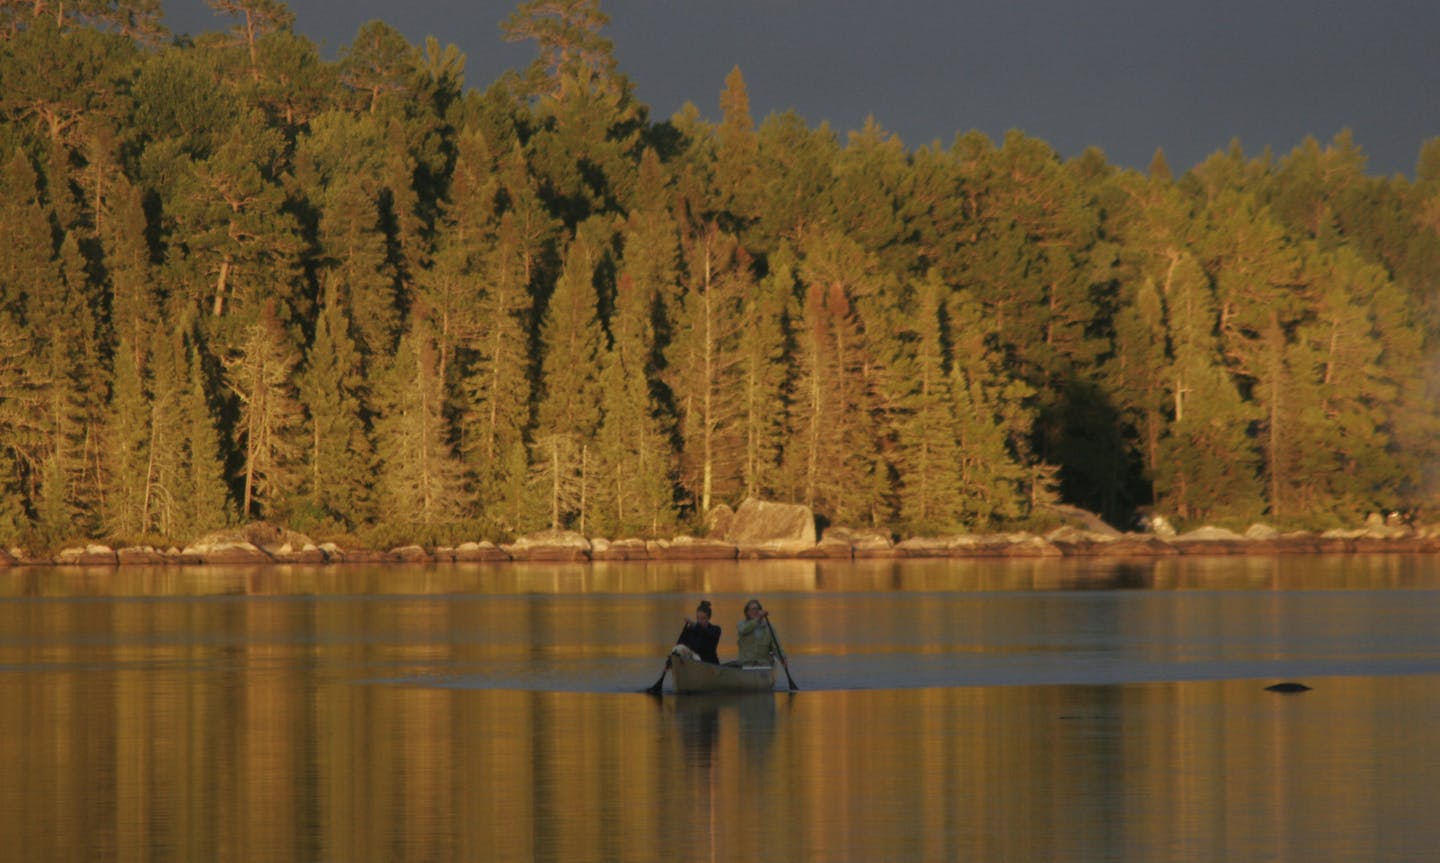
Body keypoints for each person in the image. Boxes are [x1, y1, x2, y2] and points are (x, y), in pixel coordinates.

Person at [734, 598, 781, 666]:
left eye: (756, 609)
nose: (754, 611)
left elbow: (776, 646)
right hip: (746, 664)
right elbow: (743, 630)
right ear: (746, 612)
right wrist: (758, 619)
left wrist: (782, 658)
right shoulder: (741, 624)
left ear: (760, 610)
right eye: (751, 609)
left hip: (764, 664)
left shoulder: (769, 627)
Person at [675, 599, 722, 664]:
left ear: (709, 618)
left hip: (709, 663)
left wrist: (694, 625)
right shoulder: (691, 630)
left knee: (696, 657)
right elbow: (679, 643)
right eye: (698, 618)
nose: (699, 621)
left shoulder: (716, 630)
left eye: (703, 618)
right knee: (678, 649)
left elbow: (707, 634)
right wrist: (685, 629)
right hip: (694, 662)